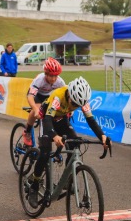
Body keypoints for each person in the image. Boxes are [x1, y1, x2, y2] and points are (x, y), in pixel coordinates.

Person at [28, 77, 109, 205]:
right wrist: (54, 136)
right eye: (74, 104)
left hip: (61, 119)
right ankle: (35, 185)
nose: (75, 106)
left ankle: (66, 180)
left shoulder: (81, 101)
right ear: (70, 94)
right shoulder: (58, 97)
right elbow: (48, 119)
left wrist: (102, 136)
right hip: (47, 119)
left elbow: (91, 120)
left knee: (75, 143)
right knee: (45, 152)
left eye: (78, 105)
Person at [23, 58, 66, 146]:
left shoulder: (60, 82)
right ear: (46, 74)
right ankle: (27, 131)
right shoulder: (40, 79)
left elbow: (65, 96)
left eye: (56, 76)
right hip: (37, 95)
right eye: (51, 76)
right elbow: (30, 96)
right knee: (38, 109)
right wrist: (35, 109)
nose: (53, 79)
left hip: (49, 97)